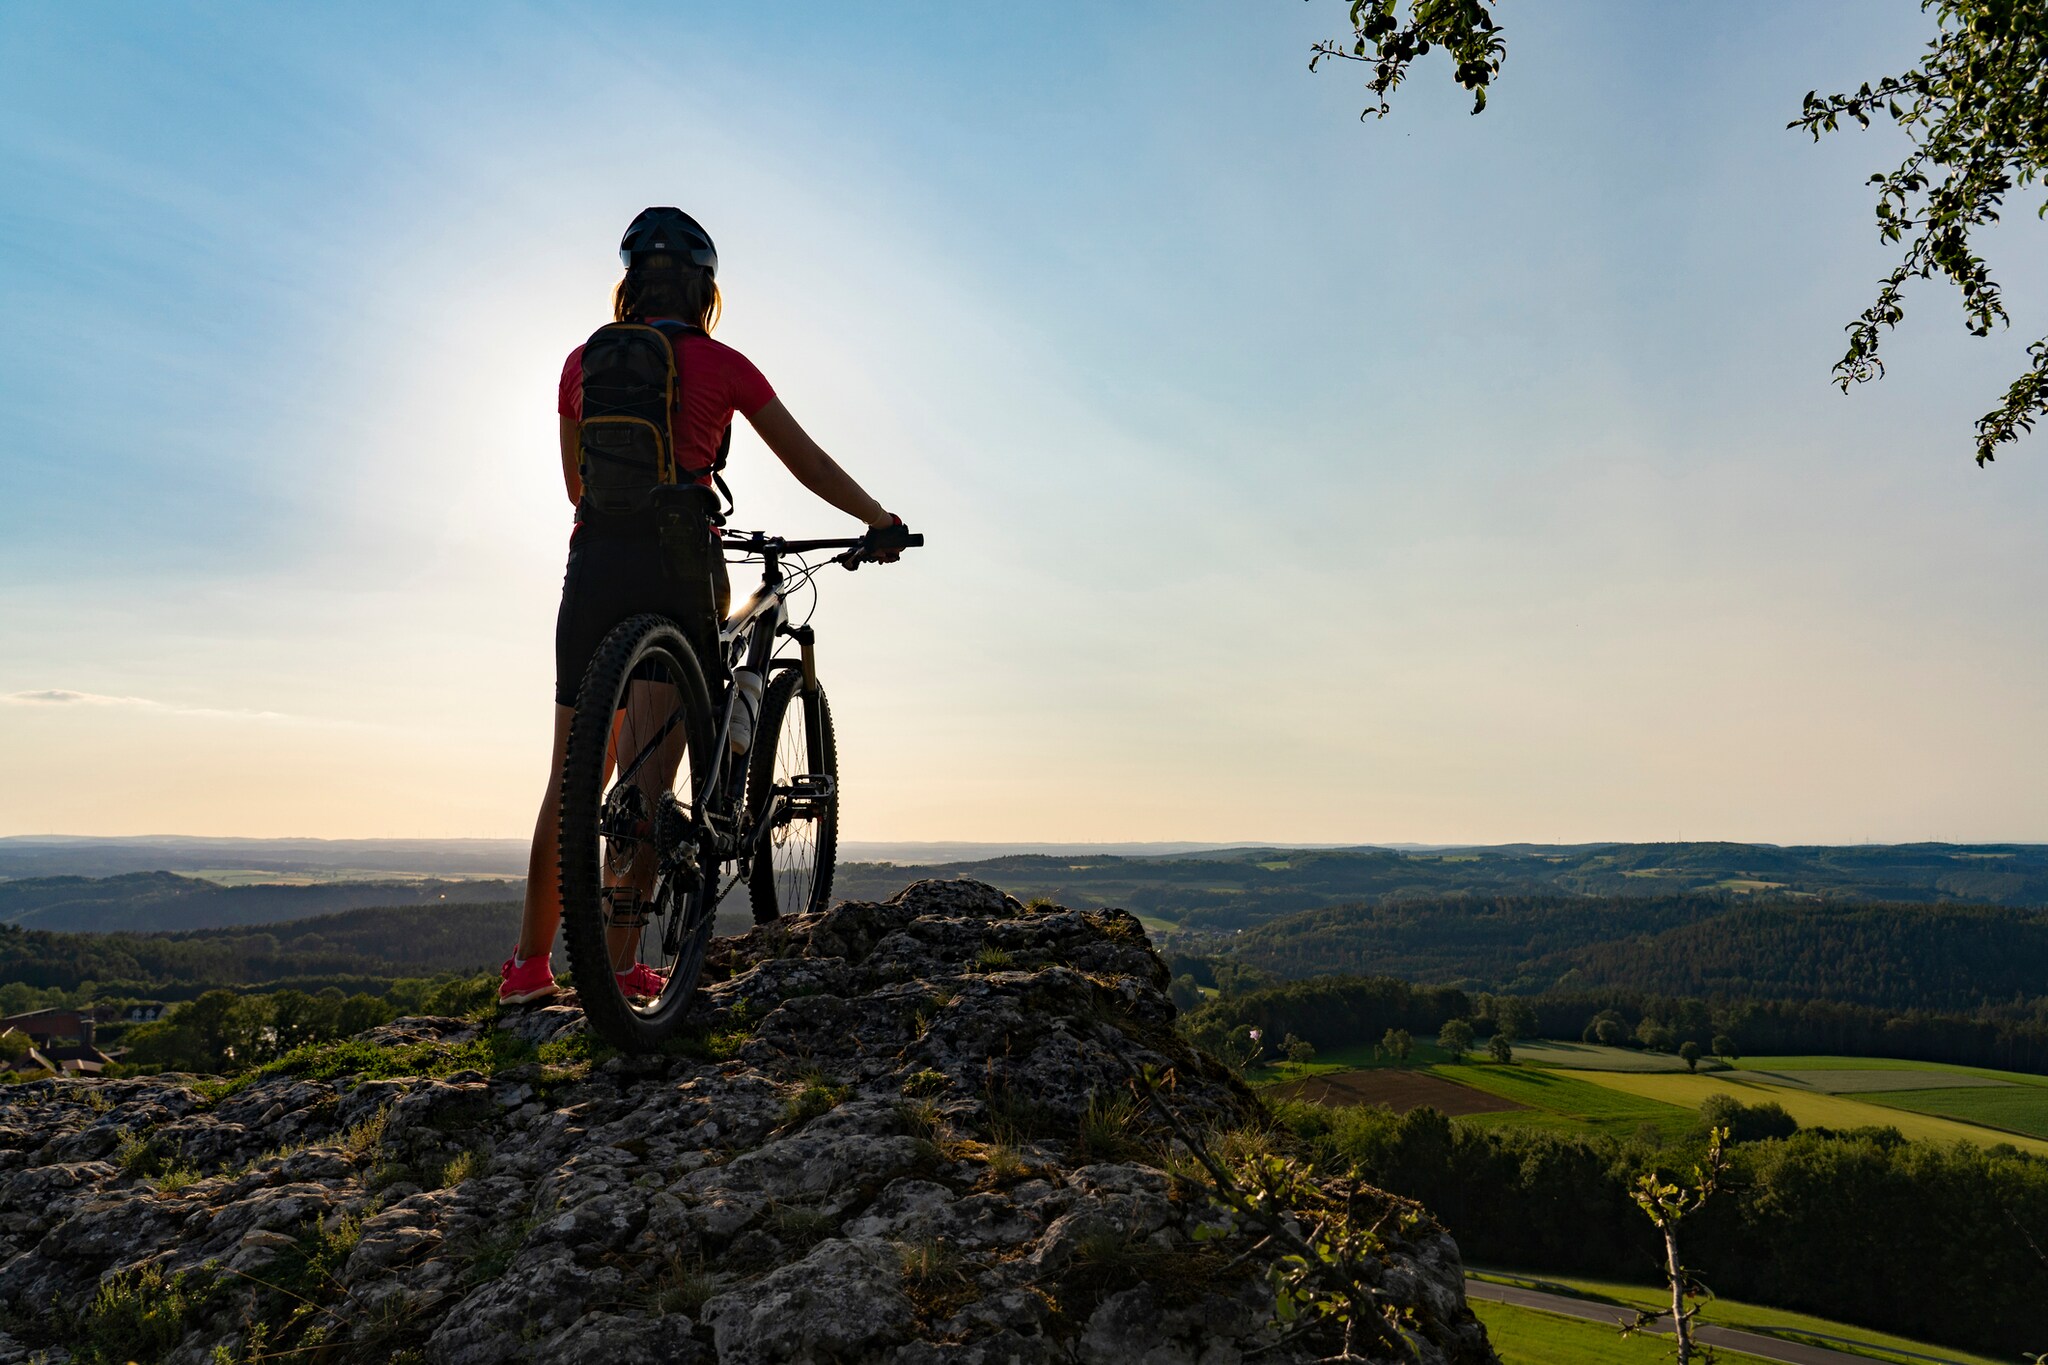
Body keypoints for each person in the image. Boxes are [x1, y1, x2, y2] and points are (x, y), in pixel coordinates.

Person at [501, 207, 899, 1005]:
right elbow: (805, 458)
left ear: (630, 285)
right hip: (678, 568)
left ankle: (529, 969)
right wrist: (875, 520)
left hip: (593, 567)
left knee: (572, 776)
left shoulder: (582, 362)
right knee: (650, 782)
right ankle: (616, 972)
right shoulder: (725, 366)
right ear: (705, 289)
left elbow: (577, 488)